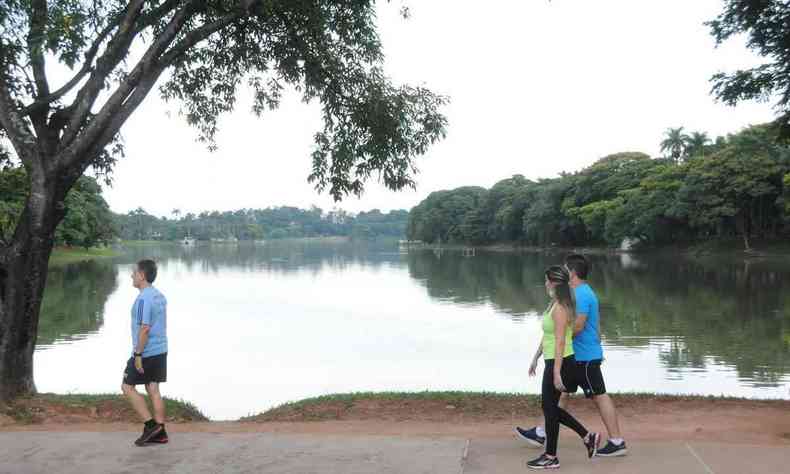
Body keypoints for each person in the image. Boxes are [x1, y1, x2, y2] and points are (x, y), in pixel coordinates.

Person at [516, 254, 627, 457]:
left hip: (583, 356)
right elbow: (594, 325)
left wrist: (561, 339)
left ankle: (616, 441)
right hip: (577, 355)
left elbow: (577, 326)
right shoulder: (579, 293)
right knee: (560, 395)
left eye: (566, 269)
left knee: (599, 395)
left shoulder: (581, 294)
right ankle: (542, 432)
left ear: (572, 273)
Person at [525, 265, 600, 470]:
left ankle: (552, 456)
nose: (545, 283)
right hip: (553, 360)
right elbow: (548, 336)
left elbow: (559, 342)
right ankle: (586, 437)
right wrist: (536, 357)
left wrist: (556, 372)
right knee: (550, 409)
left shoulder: (560, 308)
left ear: (555, 283)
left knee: (549, 409)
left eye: (547, 280)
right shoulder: (554, 304)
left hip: (562, 362)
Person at [121, 259, 169, 446]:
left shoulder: (143, 299)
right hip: (161, 349)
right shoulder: (159, 295)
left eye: (134, 273)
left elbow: (145, 329)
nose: (131, 276)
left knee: (127, 387)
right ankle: (161, 432)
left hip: (146, 352)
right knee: (153, 389)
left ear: (142, 276)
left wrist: (138, 355)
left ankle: (151, 426)